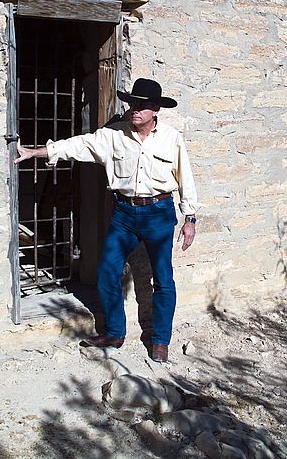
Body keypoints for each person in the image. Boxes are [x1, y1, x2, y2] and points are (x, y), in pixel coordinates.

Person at [15, 78, 198, 362]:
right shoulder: (112, 135)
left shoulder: (171, 137)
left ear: (155, 110)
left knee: (163, 280)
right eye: (133, 103)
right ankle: (115, 332)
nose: (136, 109)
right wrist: (36, 152)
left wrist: (191, 217)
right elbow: (78, 146)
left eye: (143, 105)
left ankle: (160, 341)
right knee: (107, 273)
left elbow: (185, 176)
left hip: (159, 213)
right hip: (124, 214)